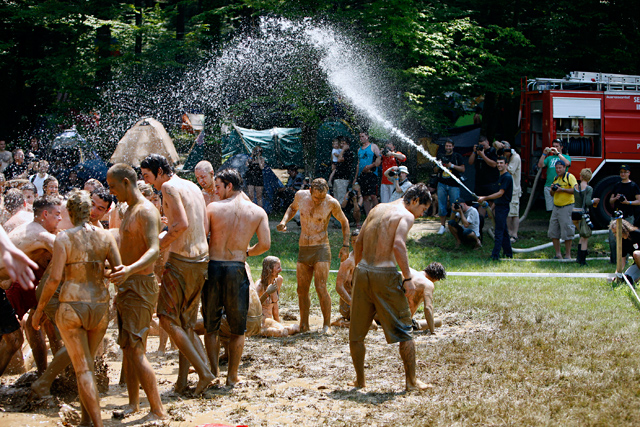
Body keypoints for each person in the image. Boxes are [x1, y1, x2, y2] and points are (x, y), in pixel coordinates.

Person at [32, 190, 121, 427]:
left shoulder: (64, 238)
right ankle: (85, 421)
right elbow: (118, 272)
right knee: (88, 365)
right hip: (100, 307)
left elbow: (53, 280)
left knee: (84, 371)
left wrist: (40, 311)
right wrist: (101, 271)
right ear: (88, 211)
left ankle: (97, 425)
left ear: (70, 212)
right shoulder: (105, 237)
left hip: (72, 306)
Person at [140, 154, 214, 394]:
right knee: (186, 323)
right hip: (201, 259)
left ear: (160, 171)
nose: (148, 182)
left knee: (166, 318)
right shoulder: (192, 185)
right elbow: (202, 227)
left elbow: (180, 225)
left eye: (148, 176)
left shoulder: (169, 187)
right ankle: (182, 381)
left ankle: (203, 372)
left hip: (182, 261)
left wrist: (159, 244)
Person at [349, 183, 431, 391]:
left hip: (363, 270)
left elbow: (358, 243)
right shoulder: (406, 215)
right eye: (423, 209)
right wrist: (407, 278)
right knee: (405, 330)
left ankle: (360, 381)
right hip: (384, 275)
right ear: (414, 201)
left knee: (356, 335)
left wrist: (356, 271)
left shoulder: (377, 208)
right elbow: (398, 245)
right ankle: (411, 382)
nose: (421, 215)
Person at [107, 164, 166, 421]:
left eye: (112, 186)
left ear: (126, 183)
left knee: (137, 348)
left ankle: (158, 410)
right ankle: (133, 403)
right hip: (127, 284)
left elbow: (154, 249)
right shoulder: (128, 209)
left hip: (141, 284)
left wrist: (129, 269)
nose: (111, 192)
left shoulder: (146, 211)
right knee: (128, 347)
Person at [203, 168, 270, 386]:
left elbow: (202, 238)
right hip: (237, 267)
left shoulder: (212, 208)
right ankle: (232, 376)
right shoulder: (258, 212)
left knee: (210, 326)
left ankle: (213, 374)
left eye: (218, 187)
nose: (216, 191)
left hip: (213, 267)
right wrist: (246, 251)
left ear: (229, 186)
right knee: (237, 327)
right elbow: (265, 245)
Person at [277, 178, 350, 333]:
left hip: (321, 248)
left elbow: (344, 222)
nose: (318, 201)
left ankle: (327, 325)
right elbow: (292, 208)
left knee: (321, 287)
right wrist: (284, 221)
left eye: (322, 198)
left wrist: (345, 246)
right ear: (310, 191)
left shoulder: (331, 203)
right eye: (316, 198)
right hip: (304, 247)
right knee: (301, 289)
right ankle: (304, 324)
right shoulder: (300, 196)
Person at [3, 196, 62, 374]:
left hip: (13, 283)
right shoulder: (40, 235)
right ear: (45, 214)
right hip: (10, 285)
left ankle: (43, 374)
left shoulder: (32, 228)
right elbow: (69, 254)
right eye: (57, 214)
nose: (60, 218)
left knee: (20, 336)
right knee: (13, 338)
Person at [478, 157, 513, 261]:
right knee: (504, 232)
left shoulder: (507, 177)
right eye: (497, 163)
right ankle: (508, 253)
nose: (499, 165)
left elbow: (500, 193)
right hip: (498, 207)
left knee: (498, 232)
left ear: (506, 164)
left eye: (501, 163)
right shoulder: (501, 176)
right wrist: (491, 208)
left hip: (503, 208)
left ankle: (495, 256)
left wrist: (485, 198)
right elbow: (499, 198)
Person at [256, 256, 300, 337]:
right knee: (282, 332)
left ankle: (277, 329)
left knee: (297, 328)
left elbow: (275, 306)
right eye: (278, 267)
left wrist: (278, 322)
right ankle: (259, 331)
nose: (281, 270)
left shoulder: (278, 280)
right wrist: (267, 293)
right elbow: (254, 307)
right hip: (261, 321)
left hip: (270, 321)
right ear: (269, 270)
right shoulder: (259, 286)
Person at [608, 164, 640, 263]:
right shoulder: (617, 185)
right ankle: (613, 261)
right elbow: (610, 201)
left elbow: (638, 201)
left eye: (625, 172)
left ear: (629, 173)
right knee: (612, 239)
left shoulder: (633, 186)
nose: (623, 174)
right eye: (621, 172)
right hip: (616, 215)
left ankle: (623, 261)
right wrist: (616, 198)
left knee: (626, 239)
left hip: (628, 216)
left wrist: (628, 202)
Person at [547, 160, 577, 259]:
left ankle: (568, 255)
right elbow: (552, 194)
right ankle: (558, 254)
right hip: (556, 207)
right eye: (557, 168)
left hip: (567, 207)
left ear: (564, 168)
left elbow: (576, 190)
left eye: (560, 168)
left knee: (567, 231)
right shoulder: (555, 179)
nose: (558, 170)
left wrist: (562, 189)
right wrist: (553, 189)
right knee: (553, 231)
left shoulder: (569, 177)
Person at [407, 263, 446, 334]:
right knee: (438, 322)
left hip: (384, 313)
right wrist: (432, 331)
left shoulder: (409, 271)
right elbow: (428, 308)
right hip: (401, 321)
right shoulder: (428, 284)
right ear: (436, 278)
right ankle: (413, 324)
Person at [435, 139, 465, 234]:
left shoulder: (457, 156)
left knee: (455, 205)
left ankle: (452, 225)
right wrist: (438, 165)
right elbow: (435, 170)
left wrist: (451, 165)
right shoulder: (440, 156)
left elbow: (463, 169)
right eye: (447, 146)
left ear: (453, 146)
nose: (448, 147)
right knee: (441, 205)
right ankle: (442, 226)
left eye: (450, 146)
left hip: (454, 185)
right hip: (442, 184)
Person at [573, 168, 599, 266]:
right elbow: (588, 202)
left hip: (574, 212)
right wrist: (594, 201)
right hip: (583, 214)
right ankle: (582, 261)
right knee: (585, 237)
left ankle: (578, 258)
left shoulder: (576, 186)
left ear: (581, 176)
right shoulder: (589, 188)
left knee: (581, 234)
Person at [537, 139, 572, 212]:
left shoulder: (565, 157)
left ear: (561, 147)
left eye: (557, 146)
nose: (555, 148)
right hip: (549, 185)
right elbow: (540, 165)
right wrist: (544, 154)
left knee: (560, 209)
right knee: (550, 209)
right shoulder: (549, 158)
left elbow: (567, 163)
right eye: (553, 146)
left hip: (561, 186)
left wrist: (558, 153)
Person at [498, 141, 522, 242]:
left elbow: (509, 170)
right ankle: (508, 233)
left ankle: (514, 234)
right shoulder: (507, 158)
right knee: (508, 213)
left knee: (514, 213)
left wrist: (504, 162)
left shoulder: (515, 157)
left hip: (514, 190)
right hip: (507, 190)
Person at [469, 136, 498, 217]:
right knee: (481, 203)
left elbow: (493, 164)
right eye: (480, 145)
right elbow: (470, 162)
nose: (482, 147)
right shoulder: (478, 152)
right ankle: (480, 223)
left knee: (492, 202)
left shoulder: (492, 151)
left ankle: (494, 223)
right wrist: (474, 152)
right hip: (480, 182)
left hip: (491, 182)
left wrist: (483, 155)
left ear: (487, 142)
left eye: (483, 145)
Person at [353, 131, 381, 215]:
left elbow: (379, 157)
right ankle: (368, 216)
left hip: (372, 174)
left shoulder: (373, 146)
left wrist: (371, 166)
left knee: (373, 195)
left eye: (363, 136)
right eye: (360, 137)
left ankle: (377, 214)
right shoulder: (359, 149)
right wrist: (355, 177)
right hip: (362, 175)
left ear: (367, 136)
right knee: (365, 196)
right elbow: (358, 164)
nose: (361, 138)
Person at [333, 137, 355, 205]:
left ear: (347, 144)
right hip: (337, 177)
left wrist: (342, 150)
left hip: (343, 178)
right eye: (341, 143)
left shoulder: (349, 153)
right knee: (335, 198)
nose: (341, 145)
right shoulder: (342, 152)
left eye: (343, 143)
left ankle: (340, 214)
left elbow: (339, 159)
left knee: (341, 198)